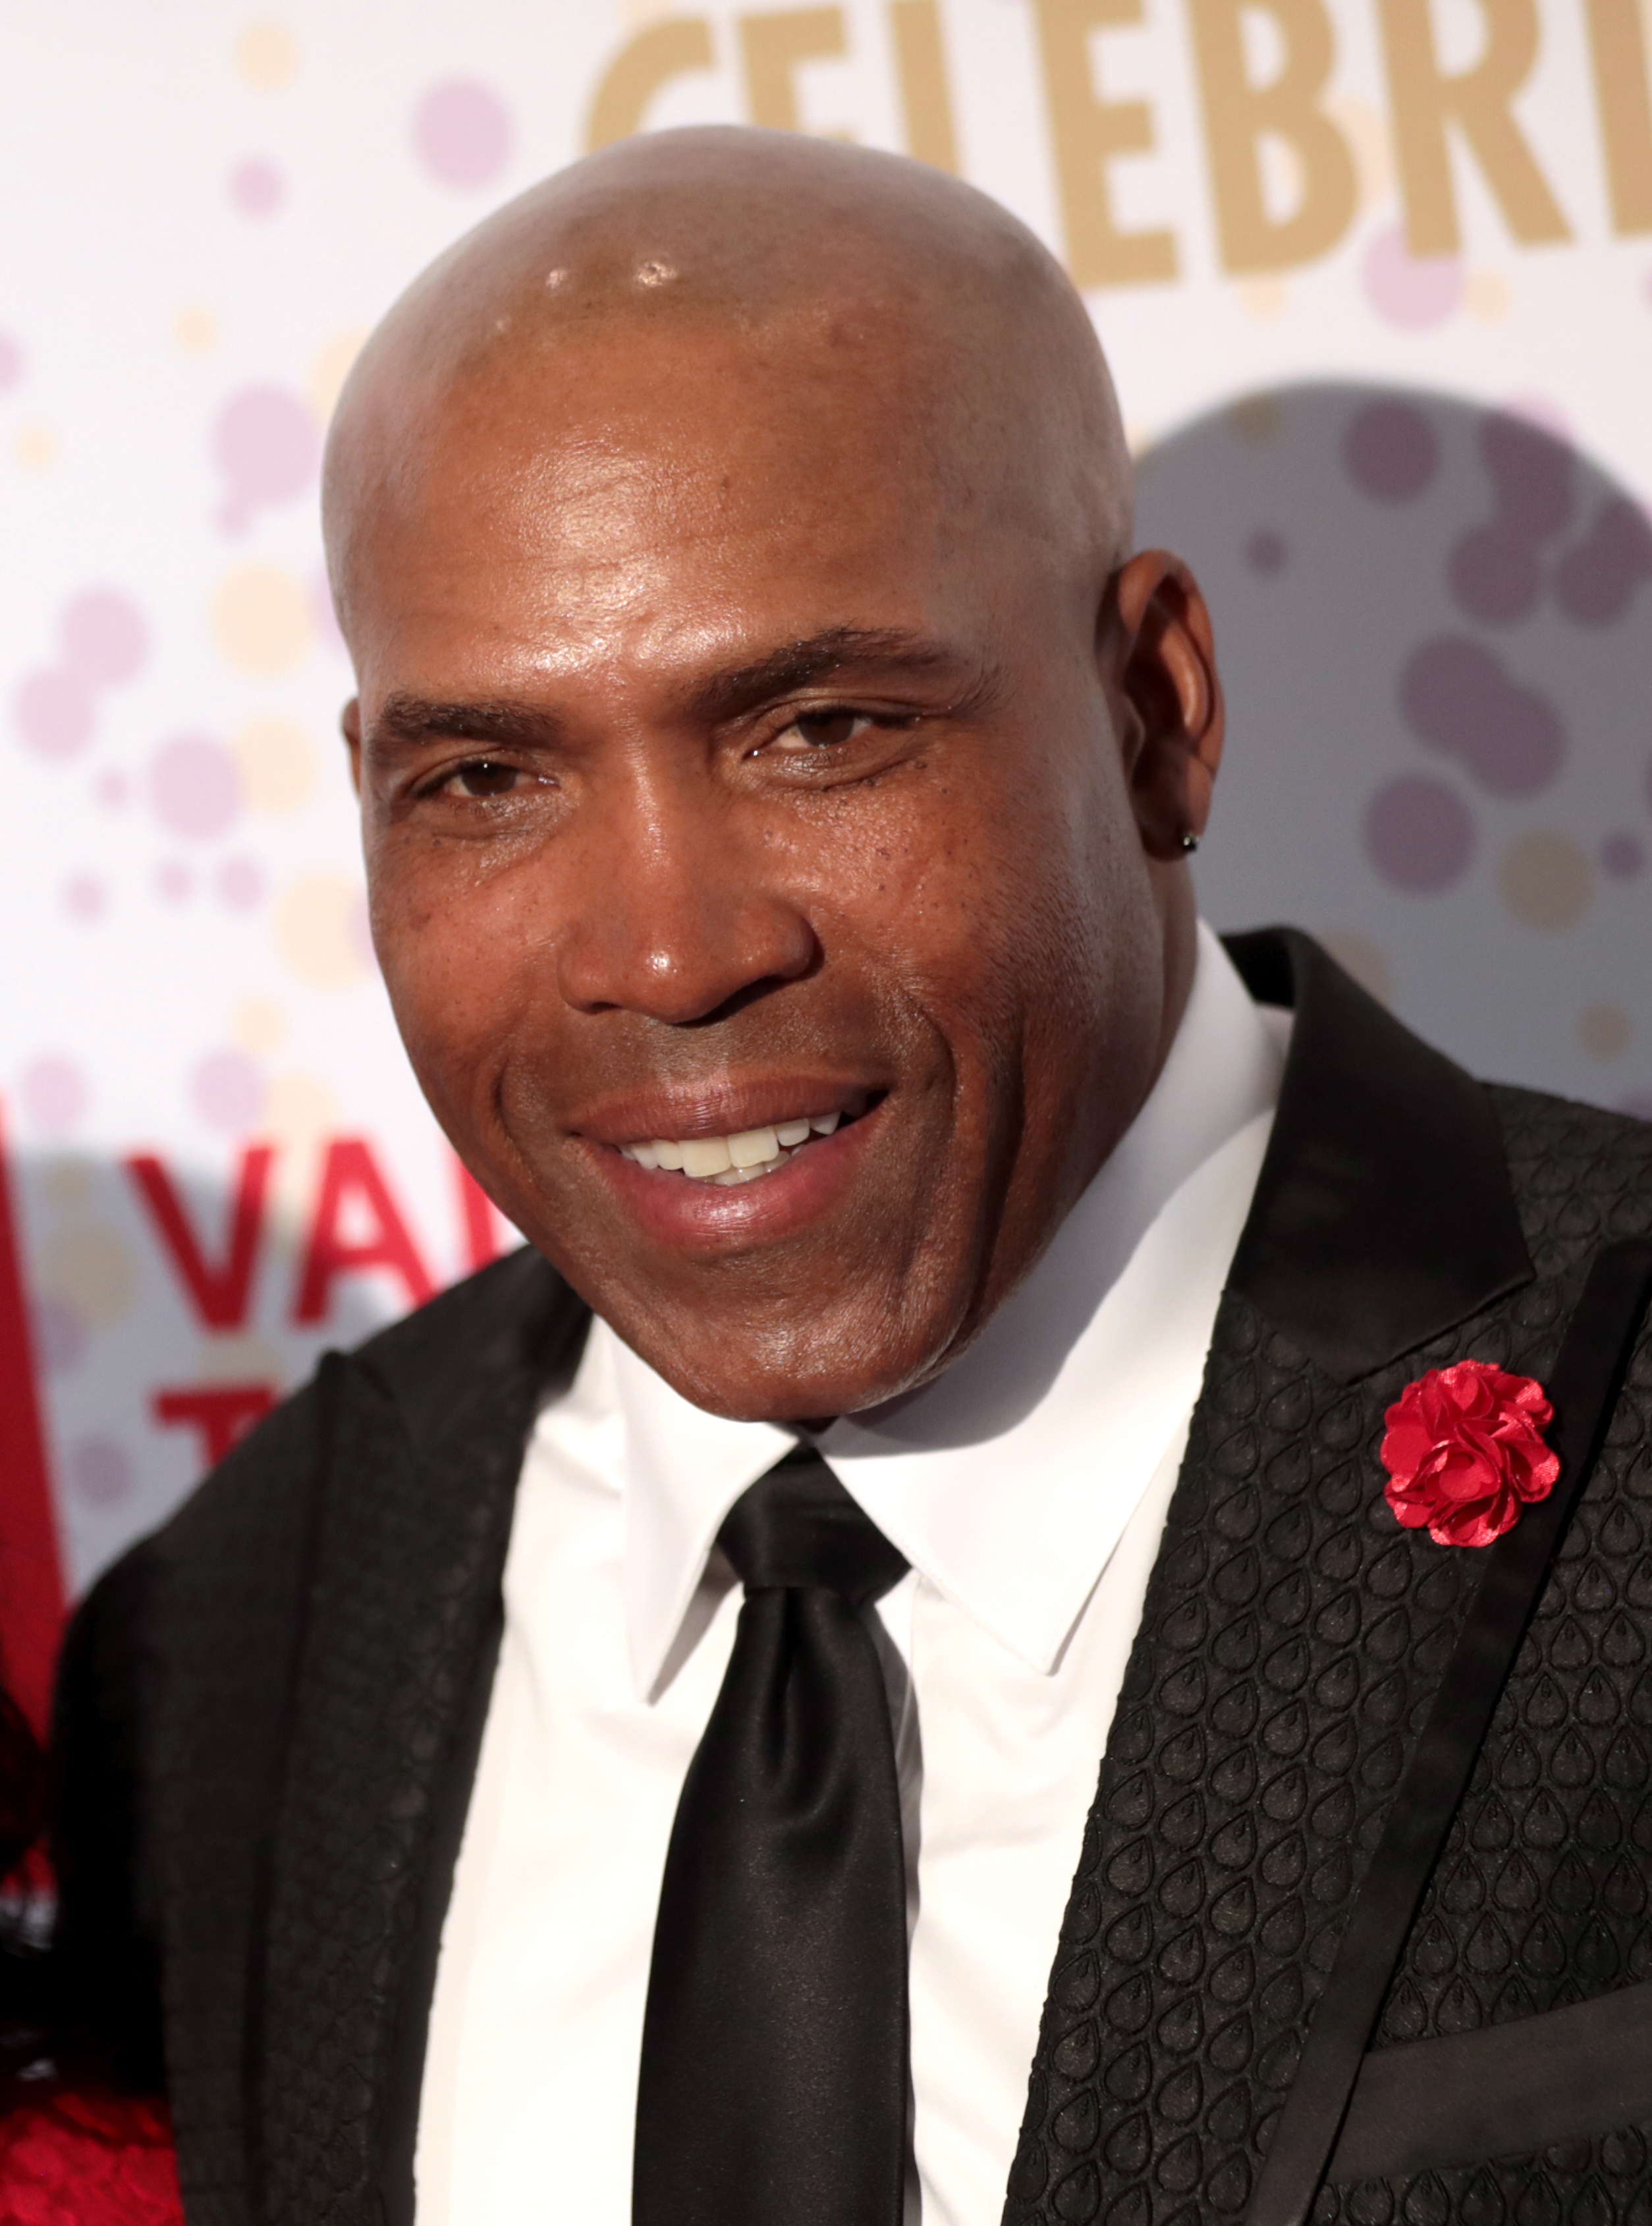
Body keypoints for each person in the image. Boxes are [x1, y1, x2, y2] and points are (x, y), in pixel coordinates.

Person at [49, 126, 1652, 2226]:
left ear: (1154, 712)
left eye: (818, 728)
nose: (665, 946)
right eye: (487, 780)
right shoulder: (234, 1640)